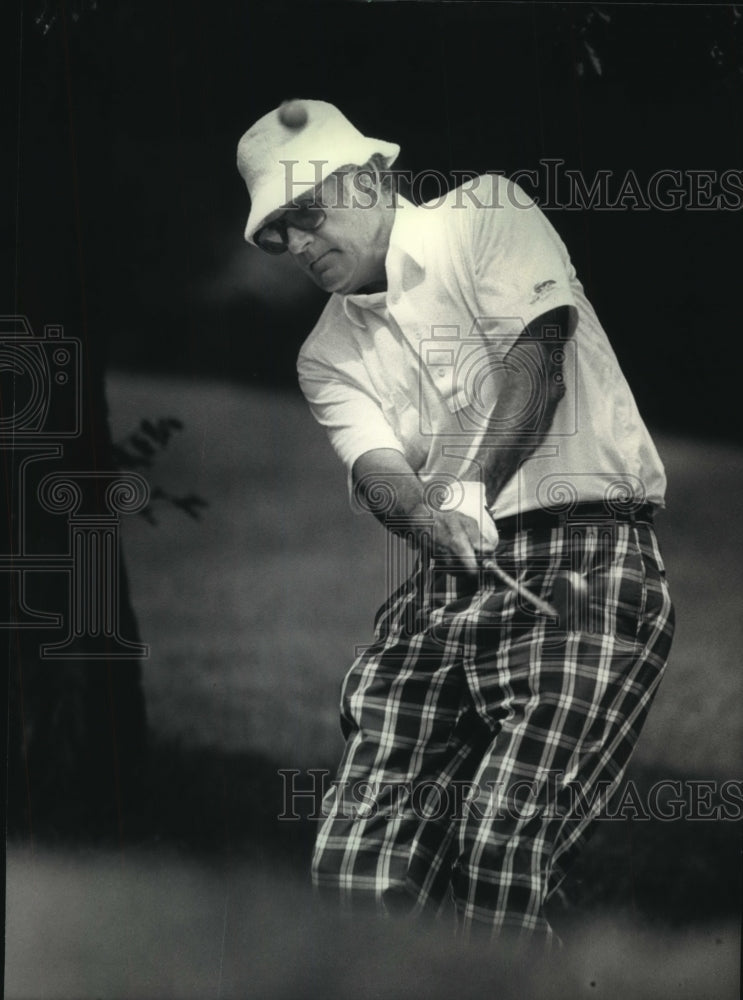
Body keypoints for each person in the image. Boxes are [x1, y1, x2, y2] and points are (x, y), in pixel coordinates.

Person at [236, 99, 675, 946]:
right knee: (355, 865)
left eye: (305, 213)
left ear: (371, 178)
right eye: (275, 234)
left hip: (587, 563)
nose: (295, 244)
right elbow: (378, 472)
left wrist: (468, 490)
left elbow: (538, 361)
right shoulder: (324, 354)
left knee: (500, 840)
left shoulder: (485, 213)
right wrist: (426, 521)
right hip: (447, 581)